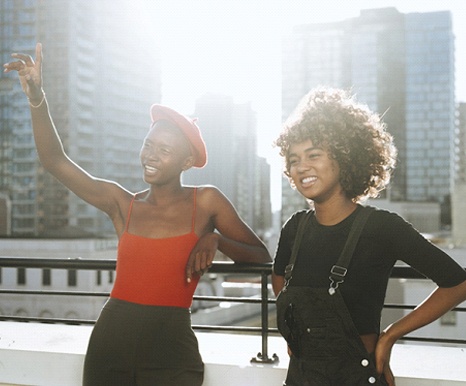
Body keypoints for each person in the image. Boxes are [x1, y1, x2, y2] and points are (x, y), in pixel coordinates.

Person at [3, 43, 271, 386]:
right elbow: (55, 161)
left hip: (172, 349)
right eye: (148, 145)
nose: (151, 156)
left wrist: (216, 239)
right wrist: (37, 97)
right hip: (110, 344)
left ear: (186, 163)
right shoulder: (122, 203)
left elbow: (262, 257)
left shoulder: (206, 202)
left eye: (164, 150)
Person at [272, 87, 466, 386]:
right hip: (300, 376)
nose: (302, 167)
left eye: (314, 155)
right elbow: (279, 280)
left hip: (357, 377)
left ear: (346, 157)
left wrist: (390, 336)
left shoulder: (382, 227)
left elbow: (457, 283)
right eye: (294, 159)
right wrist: (295, 330)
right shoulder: (294, 228)